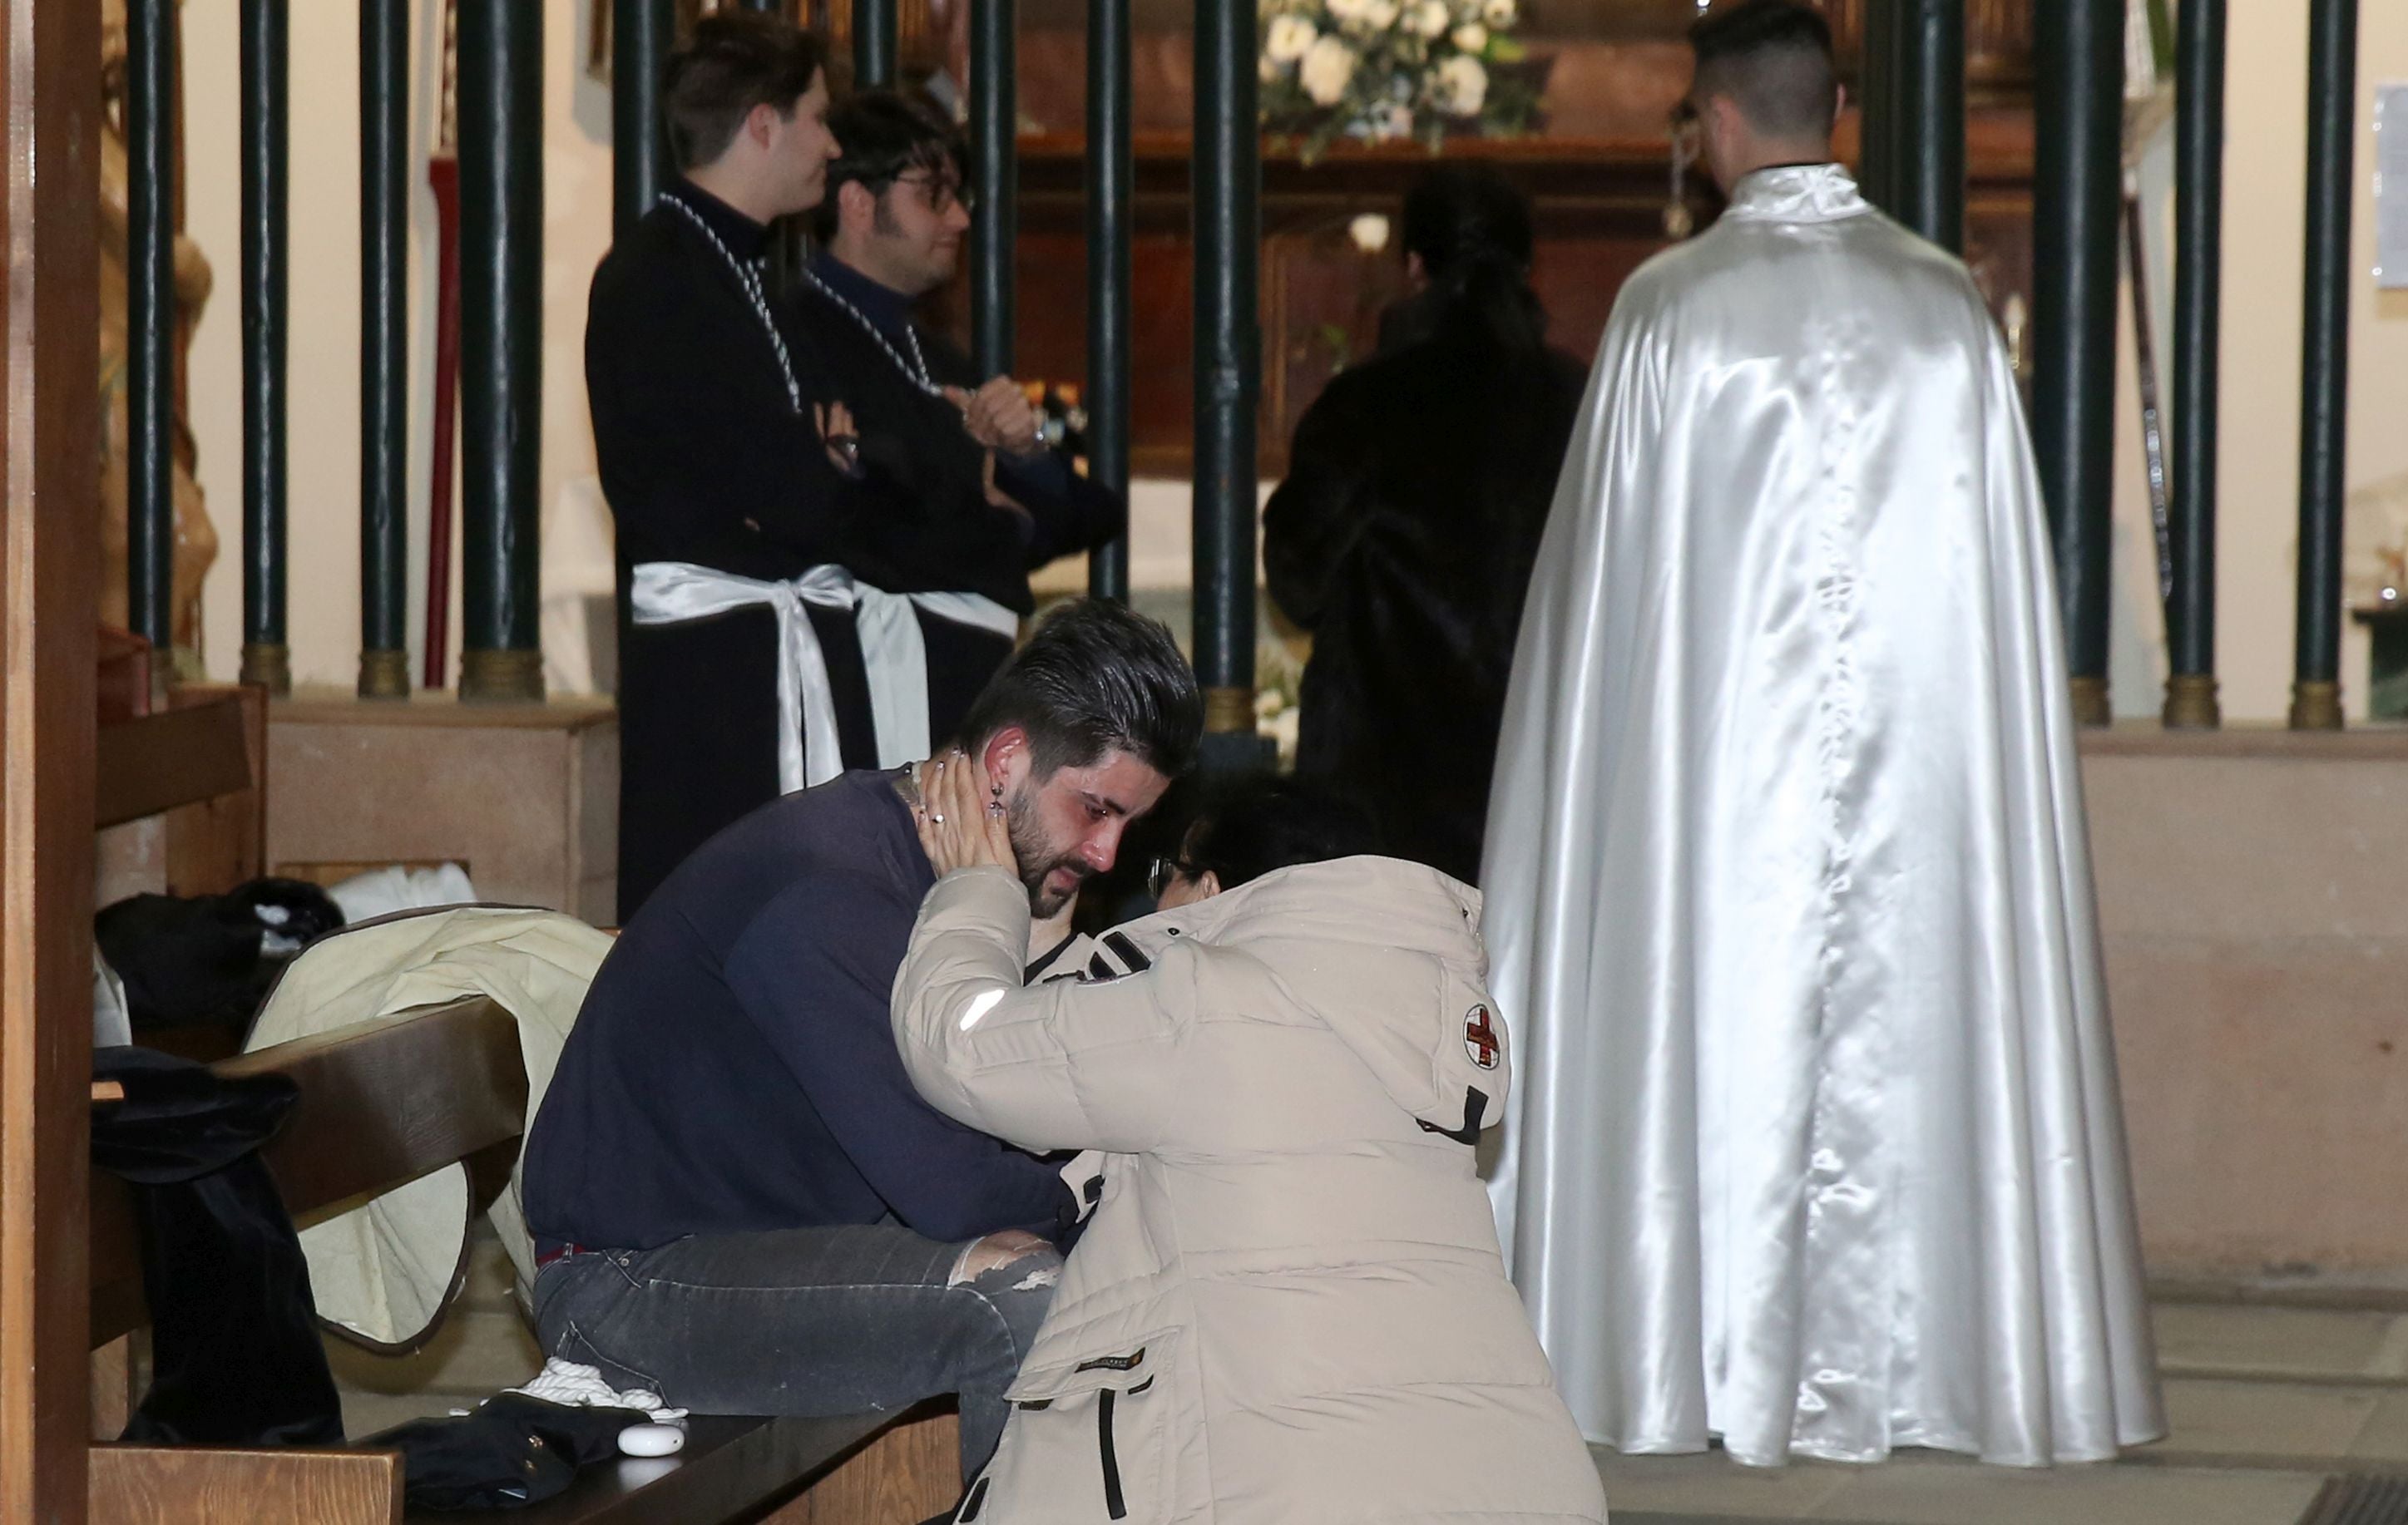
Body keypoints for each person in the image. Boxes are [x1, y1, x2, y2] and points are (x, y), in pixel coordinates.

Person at [1480, 0, 2165, 1468]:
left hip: (1707, 809)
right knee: (1929, 1012)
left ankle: (1690, 1347)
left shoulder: (1669, 309)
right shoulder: (1941, 307)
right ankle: (1947, 1356)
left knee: (1704, 1012)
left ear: (1714, 125)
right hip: (1925, 803)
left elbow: (1597, 627)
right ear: (1829, 112)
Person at [521, 600, 1203, 1481]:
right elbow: (953, 1188)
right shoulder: (825, 888)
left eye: (1127, 825)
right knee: (1018, 1301)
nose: (1109, 854)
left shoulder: (926, 869)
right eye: (1095, 810)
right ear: (1005, 764)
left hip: (770, 1248)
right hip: (627, 1292)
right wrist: (1079, 1207)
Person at [892, 763, 1609, 1524]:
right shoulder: (1405, 1022)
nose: (1149, 894)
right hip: (1513, 1481)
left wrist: (979, 888)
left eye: (1166, 873)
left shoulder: (1207, 1008)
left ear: (1210, 893)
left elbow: (962, 1048)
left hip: (1280, 1491)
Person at [590, 18, 1019, 920]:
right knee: (719, 930)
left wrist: (831, 463)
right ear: (761, 124)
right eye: (818, 119)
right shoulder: (658, 276)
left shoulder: (741, 269)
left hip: (760, 649)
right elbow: (771, 491)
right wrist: (828, 467)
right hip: (718, 674)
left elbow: (795, 476)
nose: (832, 143)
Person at [1263, 165, 1586, 885]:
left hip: (1381, 795)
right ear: (1526, 266)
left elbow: (1296, 578)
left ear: (1413, 266)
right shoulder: (1577, 403)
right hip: (1541, 778)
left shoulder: (1366, 403)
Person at [790, 91, 1122, 723]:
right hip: (866, 689)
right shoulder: (800, 340)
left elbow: (1092, 514)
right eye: (933, 197)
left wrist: (1022, 456)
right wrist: (998, 511)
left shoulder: (934, 355)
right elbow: (867, 531)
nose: (961, 220)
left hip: (957, 683)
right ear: (859, 203)